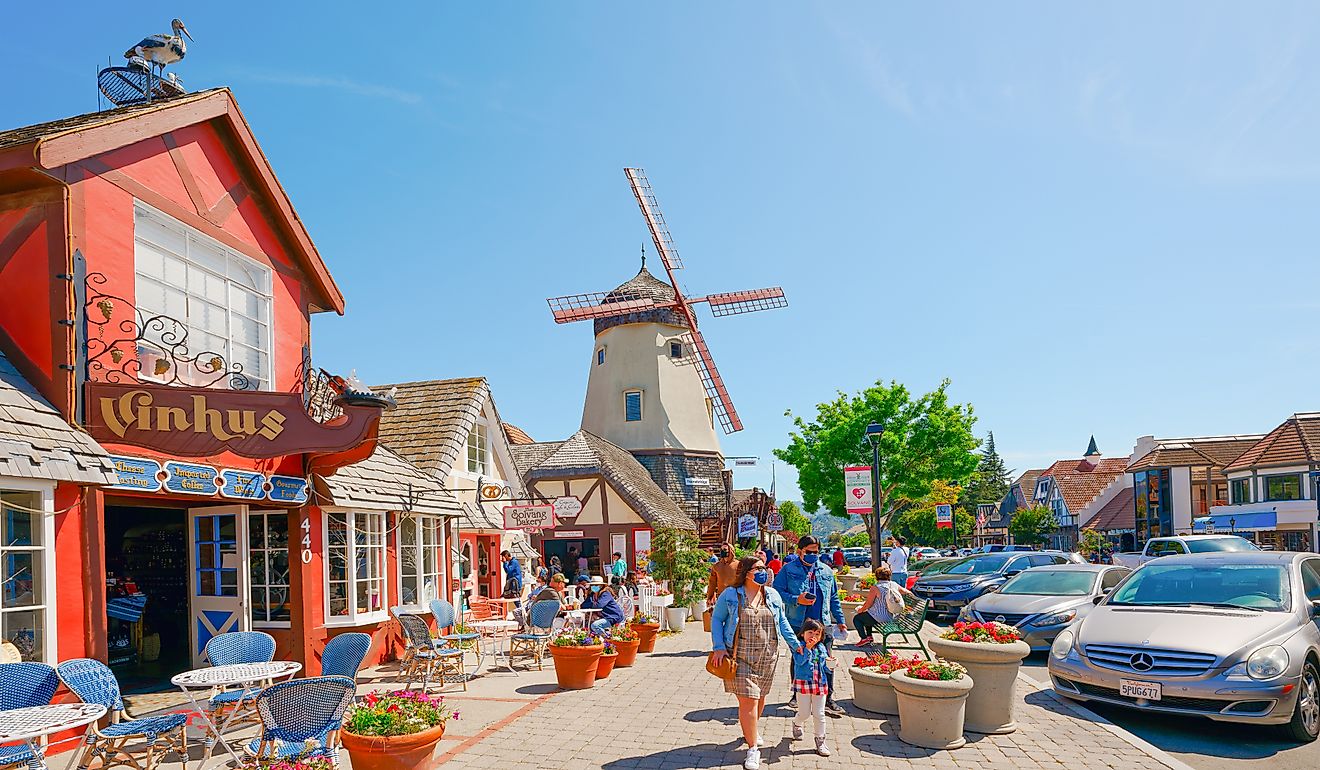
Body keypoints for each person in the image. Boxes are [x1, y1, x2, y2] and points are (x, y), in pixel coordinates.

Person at [710, 555, 802, 770]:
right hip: (740, 656)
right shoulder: (732, 595)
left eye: (764, 567)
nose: (763, 571)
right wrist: (718, 647)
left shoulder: (772, 595)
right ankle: (752, 749)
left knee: (760, 698)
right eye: (758, 568)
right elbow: (717, 618)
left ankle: (751, 730)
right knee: (748, 701)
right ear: (746, 572)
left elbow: (783, 621)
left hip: (768, 656)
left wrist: (795, 644)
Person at [773, 535, 846, 715]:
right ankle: (797, 695)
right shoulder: (788, 570)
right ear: (800, 551)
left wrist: (841, 620)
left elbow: (834, 598)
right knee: (799, 659)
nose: (814, 555)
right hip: (799, 623)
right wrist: (796, 599)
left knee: (827, 659)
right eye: (809, 552)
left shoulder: (827, 571)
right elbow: (776, 592)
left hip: (823, 624)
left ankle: (828, 698)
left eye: (816, 552)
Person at [789, 618, 835, 756]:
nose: (813, 636)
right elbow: (799, 662)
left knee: (819, 713)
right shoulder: (799, 647)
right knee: (804, 713)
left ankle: (820, 740)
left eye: (817, 634)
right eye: (810, 632)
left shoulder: (821, 648)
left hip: (820, 684)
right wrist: (807, 649)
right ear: (803, 633)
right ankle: (797, 723)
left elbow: (825, 666)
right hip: (804, 684)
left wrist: (831, 663)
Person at [853, 563, 918, 645]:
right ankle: (869, 636)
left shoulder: (876, 588)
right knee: (867, 614)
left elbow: (868, 604)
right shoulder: (894, 584)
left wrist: (860, 610)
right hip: (890, 616)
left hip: (878, 618)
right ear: (889, 576)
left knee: (857, 618)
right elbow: (908, 592)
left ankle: (864, 638)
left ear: (877, 576)